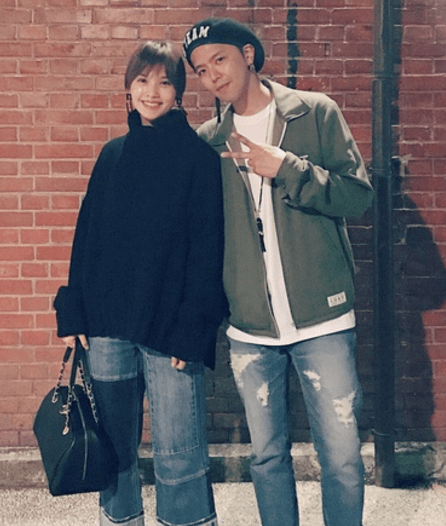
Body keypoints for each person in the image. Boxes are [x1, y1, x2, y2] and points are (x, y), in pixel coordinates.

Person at [183, 18, 374, 526]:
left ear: (248, 54)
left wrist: (289, 167)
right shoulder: (208, 141)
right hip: (251, 328)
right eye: (201, 70)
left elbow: (357, 196)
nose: (212, 76)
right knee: (266, 458)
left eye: (220, 60)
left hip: (323, 319)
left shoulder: (314, 113)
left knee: (342, 458)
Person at [54, 41, 225, 526]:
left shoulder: (198, 158)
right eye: (143, 80)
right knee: (115, 456)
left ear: (179, 92)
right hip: (107, 328)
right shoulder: (113, 155)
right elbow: (87, 238)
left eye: (165, 81)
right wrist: (73, 311)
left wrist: (195, 327)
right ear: (129, 88)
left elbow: (208, 249)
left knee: (179, 456)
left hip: (170, 330)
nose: (153, 91)